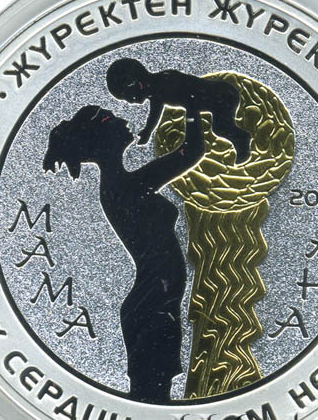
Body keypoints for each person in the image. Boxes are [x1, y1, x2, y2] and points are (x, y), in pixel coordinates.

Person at [43, 105, 205, 404]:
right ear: (102, 139)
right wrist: (193, 106)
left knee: (156, 399)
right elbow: (190, 153)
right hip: (152, 308)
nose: (122, 119)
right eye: (110, 118)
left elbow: (189, 153)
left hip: (157, 304)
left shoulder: (123, 183)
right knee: (152, 400)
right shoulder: (125, 186)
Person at [106, 58, 251, 163]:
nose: (130, 102)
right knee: (220, 128)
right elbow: (155, 113)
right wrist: (148, 131)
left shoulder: (166, 81)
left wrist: (191, 131)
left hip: (223, 95)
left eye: (127, 97)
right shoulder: (156, 92)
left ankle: (243, 140)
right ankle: (242, 142)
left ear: (136, 84)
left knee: (221, 128)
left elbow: (191, 101)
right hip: (218, 96)